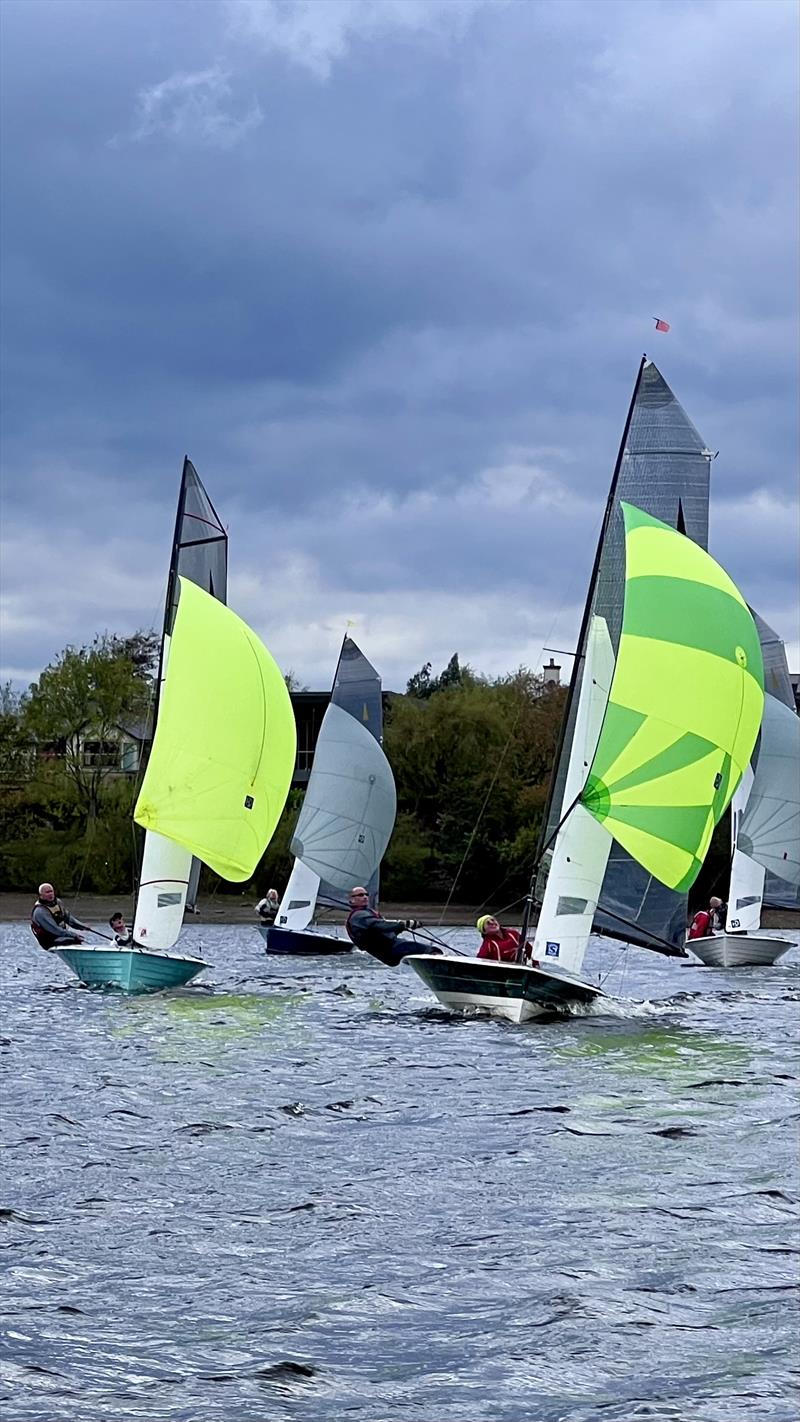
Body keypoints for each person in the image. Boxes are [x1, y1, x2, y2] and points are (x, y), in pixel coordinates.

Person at [345, 886, 428, 967]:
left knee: (417, 951)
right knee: (432, 950)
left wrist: (402, 928)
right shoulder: (359, 916)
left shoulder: (364, 914)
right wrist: (405, 924)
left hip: (388, 953)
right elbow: (381, 926)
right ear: (352, 899)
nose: (365, 897)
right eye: (360, 895)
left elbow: (382, 932)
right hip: (392, 948)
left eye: (366, 894)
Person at [30, 883, 91, 951]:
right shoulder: (40, 911)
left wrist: (82, 926)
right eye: (47, 892)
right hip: (49, 941)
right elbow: (55, 930)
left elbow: (68, 918)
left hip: (60, 936)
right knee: (73, 940)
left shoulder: (58, 902)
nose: (50, 894)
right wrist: (74, 935)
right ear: (41, 895)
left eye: (51, 891)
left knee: (76, 940)